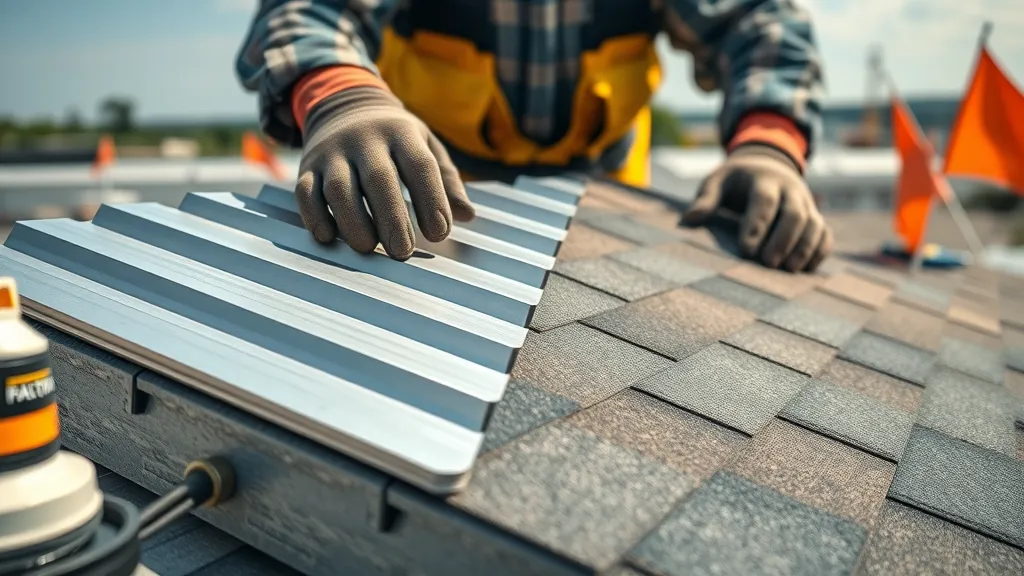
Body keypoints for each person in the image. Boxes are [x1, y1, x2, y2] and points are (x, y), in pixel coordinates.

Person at [236, 0, 832, 272]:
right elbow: (307, 11)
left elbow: (760, 21)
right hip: (431, 201)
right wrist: (343, 97)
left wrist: (769, 143)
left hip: (607, 205)